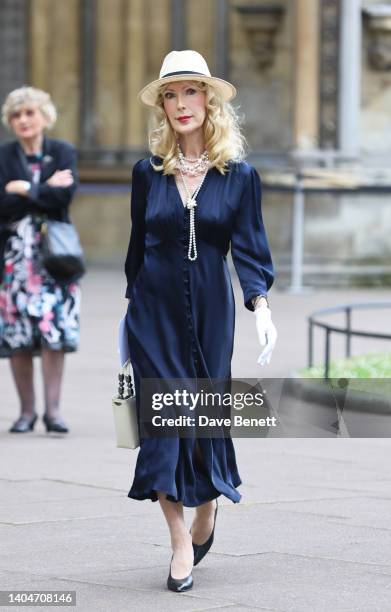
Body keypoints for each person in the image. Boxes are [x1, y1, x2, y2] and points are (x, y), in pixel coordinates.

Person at [124, 50, 277, 592]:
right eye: (170, 94)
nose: (180, 104)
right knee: (163, 426)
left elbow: (251, 250)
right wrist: (129, 318)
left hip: (212, 311)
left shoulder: (239, 177)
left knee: (206, 417)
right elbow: (136, 251)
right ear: (162, 107)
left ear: (208, 101)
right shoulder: (148, 173)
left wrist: (259, 305)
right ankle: (179, 538)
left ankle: (208, 507)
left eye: (190, 92)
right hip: (153, 312)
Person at [0, 86, 80, 434]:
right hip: (13, 263)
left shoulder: (62, 151)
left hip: (54, 260)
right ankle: (26, 412)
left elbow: (63, 197)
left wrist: (23, 189)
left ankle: (54, 411)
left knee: (53, 332)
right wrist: (44, 188)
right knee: (18, 335)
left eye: (30, 113)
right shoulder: (4, 156)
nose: (23, 120)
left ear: (45, 117)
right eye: (16, 115)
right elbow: (2, 206)